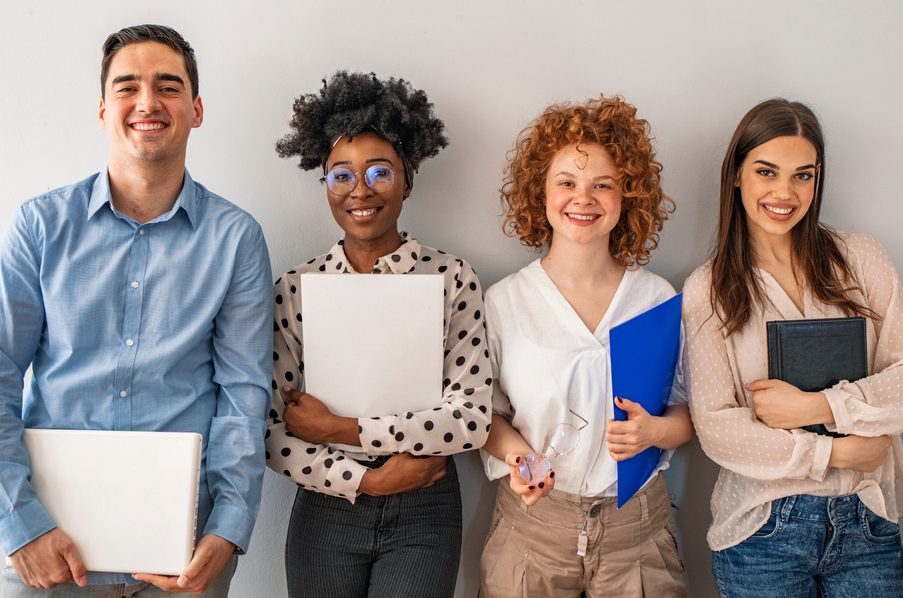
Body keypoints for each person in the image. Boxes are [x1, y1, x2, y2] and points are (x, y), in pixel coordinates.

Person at [0, 24, 273, 596]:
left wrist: (228, 529)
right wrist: (19, 524)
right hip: (47, 548)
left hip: (184, 554)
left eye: (168, 87)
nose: (148, 103)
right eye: (127, 87)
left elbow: (243, 394)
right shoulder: (39, 227)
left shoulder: (236, 239)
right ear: (103, 110)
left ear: (196, 110)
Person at [266, 71, 491, 598]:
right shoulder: (295, 290)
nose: (360, 190)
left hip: (425, 502)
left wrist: (341, 428)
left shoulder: (452, 279)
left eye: (380, 172)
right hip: (326, 505)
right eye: (341, 175)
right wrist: (366, 480)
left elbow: (469, 421)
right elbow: (274, 433)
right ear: (325, 185)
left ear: (408, 180)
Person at [683, 98, 903, 597]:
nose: (785, 193)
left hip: (869, 520)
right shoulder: (708, 290)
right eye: (766, 172)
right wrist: (834, 451)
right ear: (736, 175)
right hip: (763, 531)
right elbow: (717, 428)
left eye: (803, 175)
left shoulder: (860, 258)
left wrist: (819, 407)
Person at [479, 96, 692, 597]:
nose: (583, 198)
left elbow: (687, 414)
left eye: (603, 184)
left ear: (627, 195)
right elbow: (483, 415)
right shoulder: (505, 301)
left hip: (637, 534)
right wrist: (517, 458)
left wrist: (654, 432)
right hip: (532, 533)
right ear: (540, 192)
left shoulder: (657, 300)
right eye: (567, 183)